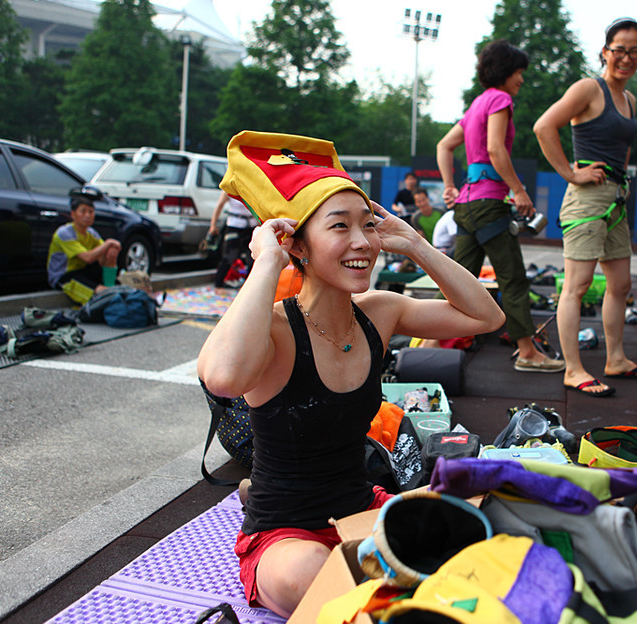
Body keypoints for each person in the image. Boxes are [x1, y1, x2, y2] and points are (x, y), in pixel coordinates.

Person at [197, 132, 504, 618]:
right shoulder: (274, 328)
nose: (362, 242)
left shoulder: (379, 312)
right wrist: (267, 260)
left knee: (477, 525)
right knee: (320, 575)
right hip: (285, 533)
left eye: (368, 225)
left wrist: (416, 244)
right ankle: (257, 503)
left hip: (360, 510)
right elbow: (222, 377)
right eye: (340, 226)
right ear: (297, 243)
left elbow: (486, 317)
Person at [534, 17, 637, 397]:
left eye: (635, 51)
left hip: (615, 198)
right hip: (587, 197)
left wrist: (621, 179)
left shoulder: (630, 100)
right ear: (605, 51)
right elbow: (543, 126)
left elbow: (624, 145)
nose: (627, 58)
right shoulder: (589, 88)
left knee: (620, 284)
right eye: (620, 50)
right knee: (577, 285)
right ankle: (573, 369)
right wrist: (571, 173)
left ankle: (615, 358)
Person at [437, 39, 565, 373]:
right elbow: (495, 149)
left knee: (456, 281)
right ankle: (527, 352)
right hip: (489, 204)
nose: (521, 79)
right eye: (519, 72)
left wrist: (450, 186)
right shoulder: (500, 99)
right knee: (513, 279)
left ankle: (424, 346)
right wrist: (518, 191)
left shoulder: (476, 104)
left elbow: (444, 146)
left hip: (466, 204)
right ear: (506, 72)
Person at [47, 187, 121, 304]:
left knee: (110, 252)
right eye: (83, 211)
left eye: (91, 212)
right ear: (73, 214)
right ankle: (107, 295)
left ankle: (110, 287)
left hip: (83, 270)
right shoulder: (64, 233)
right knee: (101, 293)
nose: (87, 215)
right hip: (65, 276)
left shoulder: (91, 233)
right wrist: (109, 243)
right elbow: (88, 258)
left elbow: (102, 260)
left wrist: (111, 253)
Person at [209, 190, 259, 288]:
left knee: (252, 256)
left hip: (251, 226)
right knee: (230, 255)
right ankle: (218, 284)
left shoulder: (252, 188)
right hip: (234, 225)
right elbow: (219, 205)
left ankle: (249, 286)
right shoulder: (229, 188)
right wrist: (213, 225)